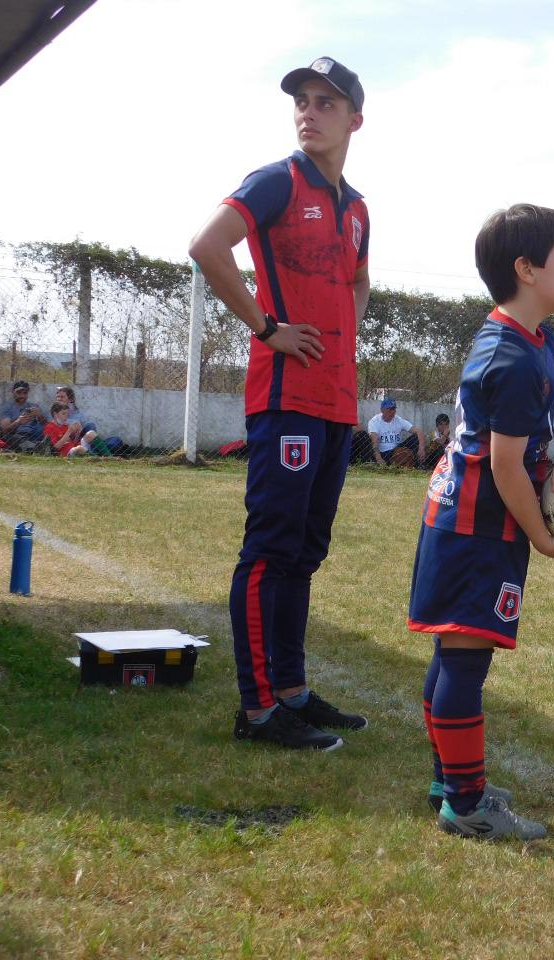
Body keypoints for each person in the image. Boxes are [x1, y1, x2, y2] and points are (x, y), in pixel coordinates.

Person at [408, 203, 554, 842]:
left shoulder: (541, 339)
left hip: (468, 520)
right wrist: (545, 538)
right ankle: (465, 805)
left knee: (454, 651)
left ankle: (451, 782)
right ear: (526, 269)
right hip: (474, 527)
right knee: (463, 660)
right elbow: (505, 467)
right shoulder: (514, 359)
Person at [189, 56, 371, 751]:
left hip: (335, 401)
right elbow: (207, 246)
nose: (309, 111)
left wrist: (341, 333)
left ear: (354, 119)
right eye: (301, 100)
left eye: (325, 102)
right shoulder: (276, 181)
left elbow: (358, 281)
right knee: (269, 550)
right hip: (286, 397)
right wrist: (268, 327)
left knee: (304, 552)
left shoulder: (356, 208)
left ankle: (292, 691)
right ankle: (258, 708)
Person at [368, 397, 425, 468]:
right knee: (403, 453)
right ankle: (402, 463)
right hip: (384, 453)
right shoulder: (374, 421)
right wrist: (378, 457)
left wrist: (421, 449)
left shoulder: (398, 419)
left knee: (415, 438)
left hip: (397, 449)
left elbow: (419, 432)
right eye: (390, 409)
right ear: (382, 410)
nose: (392, 412)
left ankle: (418, 465)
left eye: (394, 409)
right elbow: (374, 441)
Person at [0, 380, 47, 451]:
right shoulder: (6, 407)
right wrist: (18, 421)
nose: (22, 395)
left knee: (41, 429)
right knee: (15, 438)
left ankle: (35, 446)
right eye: (19, 392)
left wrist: (40, 415)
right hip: (16, 435)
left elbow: (46, 424)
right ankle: (36, 447)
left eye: (25, 393)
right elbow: (5, 430)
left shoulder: (33, 406)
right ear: (13, 392)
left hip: (32, 434)